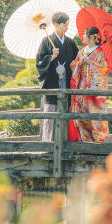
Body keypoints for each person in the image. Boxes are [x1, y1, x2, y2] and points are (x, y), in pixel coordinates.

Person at [36, 11, 79, 141]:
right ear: (56, 24)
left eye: (67, 25)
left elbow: (77, 60)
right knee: (51, 115)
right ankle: (48, 144)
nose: (66, 27)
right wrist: (51, 57)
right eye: (64, 25)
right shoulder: (46, 41)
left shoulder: (70, 42)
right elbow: (39, 62)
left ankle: (66, 144)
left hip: (67, 85)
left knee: (67, 115)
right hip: (53, 84)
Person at [68, 26, 110, 143]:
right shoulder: (81, 51)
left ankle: (95, 145)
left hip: (93, 91)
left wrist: (90, 63)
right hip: (81, 88)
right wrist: (79, 63)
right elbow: (73, 65)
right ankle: (83, 143)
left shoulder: (100, 53)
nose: (82, 36)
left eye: (85, 34)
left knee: (93, 117)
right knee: (80, 117)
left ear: (92, 37)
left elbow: (104, 71)